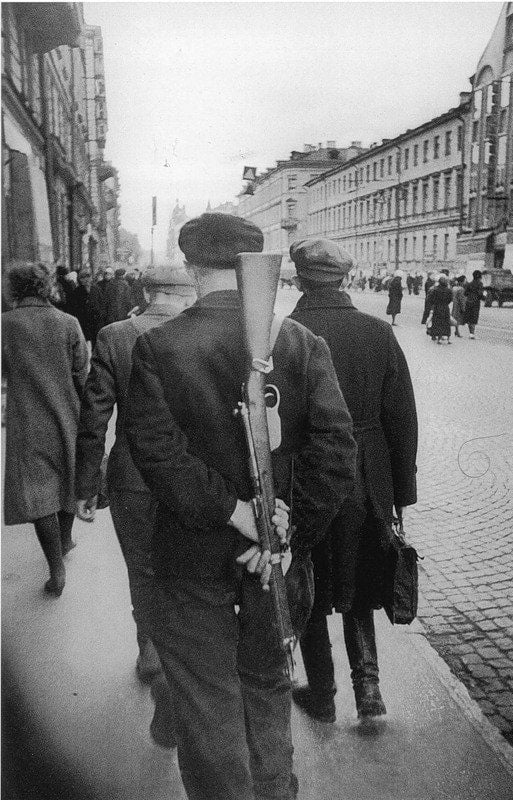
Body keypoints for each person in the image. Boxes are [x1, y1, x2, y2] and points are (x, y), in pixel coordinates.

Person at [124, 213, 357, 800]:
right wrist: (286, 532)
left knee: (207, 713)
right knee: (269, 695)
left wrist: (234, 513)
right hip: (277, 567)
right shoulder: (301, 342)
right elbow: (334, 451)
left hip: (190, 559)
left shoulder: (158, 346)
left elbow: (157, 451)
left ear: (191, 267)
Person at [288, 238, 418, 723]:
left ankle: (322, 694)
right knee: (363, 578)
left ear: (299, 280)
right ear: (344, 278)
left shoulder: (285, 332)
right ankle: (369, 690)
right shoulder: (378, 331)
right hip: (367, 475)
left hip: (308, 474)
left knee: (311, 581)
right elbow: (402, 416)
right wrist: (400, 492)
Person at [75, 266, 198, 747]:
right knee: (184, 573)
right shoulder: (200, 332)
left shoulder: (114, 336)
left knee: (142, 569)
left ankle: (150, 650)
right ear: (183, 293)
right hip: (191, 477)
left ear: (146, 293)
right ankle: (177, 668)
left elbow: (95, 414)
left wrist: (87, 483)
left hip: (132, 476)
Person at [2, 263, 89, 596]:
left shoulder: (4, 325)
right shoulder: (69, 323)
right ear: (45, 287)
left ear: (14, 289)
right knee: (67, 479)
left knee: (38, 493)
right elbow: (82, 375)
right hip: (68, 415)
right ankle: (66, 539)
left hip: (26, 421)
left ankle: (56, 568)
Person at [66, 269, 104, 348]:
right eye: (83, 278)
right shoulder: (76, 292)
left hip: (95, 322)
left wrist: (100, 315)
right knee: (83, 343)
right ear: (80, 280)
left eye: (88, 277)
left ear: (91, 278)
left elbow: (102, 303)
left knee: (96, 343)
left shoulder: (96, 289)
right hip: (83, 322)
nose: (86, 280)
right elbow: (73, 309)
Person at [424, 273, 453, 344]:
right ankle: (447, 337)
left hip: (437, 307)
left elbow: (430, 299)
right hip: (445, 308)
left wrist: (435, 303)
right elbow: (450, 299)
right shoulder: (448, 290)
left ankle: (438, 337)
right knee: (445, 322)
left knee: (437, 322)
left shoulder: (435, 289)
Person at [463, 269, 484, 339]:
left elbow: (465, 293)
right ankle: (472, 333)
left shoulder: (469, 284)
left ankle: (471, 333)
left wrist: (470, 294)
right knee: (474, 317)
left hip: (469, 302)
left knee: (469, 317)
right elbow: (480, 293)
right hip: (476, 303)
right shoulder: (480, 284)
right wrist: (484, 297)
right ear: (480, 277)